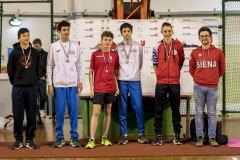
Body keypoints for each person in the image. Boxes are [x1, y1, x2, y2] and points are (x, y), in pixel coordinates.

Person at [47, 20, 83, 148]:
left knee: (73, 112)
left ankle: (74, 137)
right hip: (59, 84)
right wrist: (49, 84)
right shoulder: (53, 46)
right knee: (60, 111)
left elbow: (79, 65)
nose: (66, 32)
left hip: (72, 83)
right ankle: (60, 137)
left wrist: (80, 81)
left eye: (68, 29)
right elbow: (49, 66)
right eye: (64, 30)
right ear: (59, 32)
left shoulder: (75, 46)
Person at [189, 26, 226, 147]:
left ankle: (212, 138)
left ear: (210, 37)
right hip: (198, 87)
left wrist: (213, 79)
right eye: (202, 36)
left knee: (211, 113)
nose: (204, 38)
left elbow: (222, 69)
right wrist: (198, 79)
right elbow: (191, 69)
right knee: (199, 113)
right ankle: (200, 137)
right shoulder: (194, 53)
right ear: (199, 38)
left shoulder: (218, 52)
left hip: (213, 88)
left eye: (206, 35)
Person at [152, 22, 185, 145]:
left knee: (175, 110)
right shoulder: (157, 46)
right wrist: (160, 75)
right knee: (158, 110)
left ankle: (176, 136)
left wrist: (175, 73)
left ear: (172, 31)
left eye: (169, 31)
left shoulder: (179, 45)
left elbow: (180, 62)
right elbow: (155, 63)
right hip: (161, 83)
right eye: (165, 31)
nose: (167, 33)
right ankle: (158, 136)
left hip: (174, 83)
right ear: (161, 32)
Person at [85, 31, 119, 149]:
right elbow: (90, 72)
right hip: (99, 88)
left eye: (110, 40)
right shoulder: (95, 54)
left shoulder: (115, 55)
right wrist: (92, 87)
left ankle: (104, 137)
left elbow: (115, 72)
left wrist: (117, 87)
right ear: (101, 40)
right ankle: (92, 139)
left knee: (108, 112)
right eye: (105, 39)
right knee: (95, 112)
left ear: (112, 42)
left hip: (110, 87)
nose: (107, 42)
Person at [7, 28, 40, 149]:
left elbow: (38, 69)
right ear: (19, 38)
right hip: (18, 88)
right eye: (24, 36)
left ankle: (30, 139)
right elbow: (10, 71)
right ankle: (19, 140)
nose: (27, 38)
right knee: (18, 115)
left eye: (28, 35)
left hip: (32, 88)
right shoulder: (14, 53)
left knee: (32, 114)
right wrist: (16, 82)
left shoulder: (35, 53)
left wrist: (34, 80)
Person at [116, 22, 148, 145]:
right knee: (122, 107)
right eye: (124, 31)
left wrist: (134, 73)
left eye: (128, 31)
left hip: (135, 80)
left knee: (138, 106)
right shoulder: (117, 47)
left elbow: (140, 63)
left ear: (131, 32)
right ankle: (124, 135)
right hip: (122, 80)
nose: (127, 33)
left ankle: (141, 134)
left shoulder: (138, 46)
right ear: (121, 33)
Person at [33, 38, 48, 118]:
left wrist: (45, 76)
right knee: (34, 98)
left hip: (42, 80)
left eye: (37, 46)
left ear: (40, 45)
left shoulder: (46, 54)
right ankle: (36, 114)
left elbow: (49, 67)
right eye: (34, 46)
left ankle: (41, 109)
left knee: (43, 96)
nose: (35, 48)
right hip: (33, 80)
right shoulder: (31, 55)